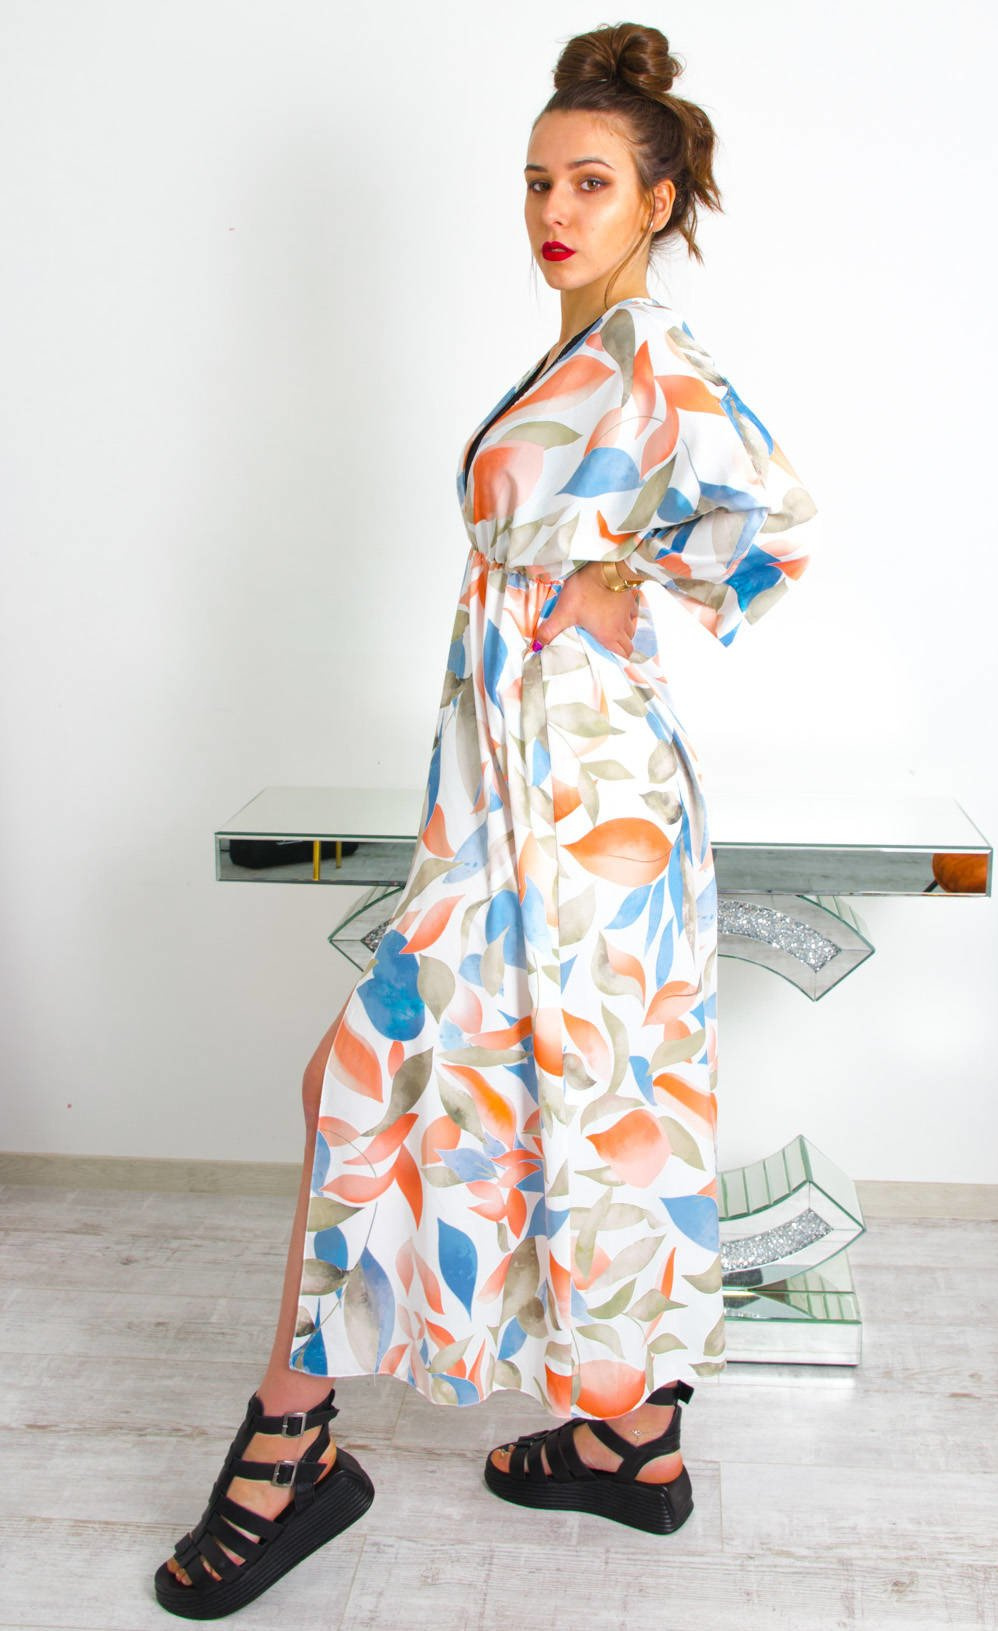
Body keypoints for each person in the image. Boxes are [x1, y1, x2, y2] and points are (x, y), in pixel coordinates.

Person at [154, 19, 817, 1619]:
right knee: (562, 1090)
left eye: (591, 182)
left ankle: (289, 1449)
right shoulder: (579, 356)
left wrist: (630, 579)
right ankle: (634, 1445)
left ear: (658, 201)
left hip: (583, 794)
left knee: (413, 1083)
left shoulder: (652, 352)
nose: (555, 209)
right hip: (514, 779)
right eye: (537, 181)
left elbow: (777, 521)